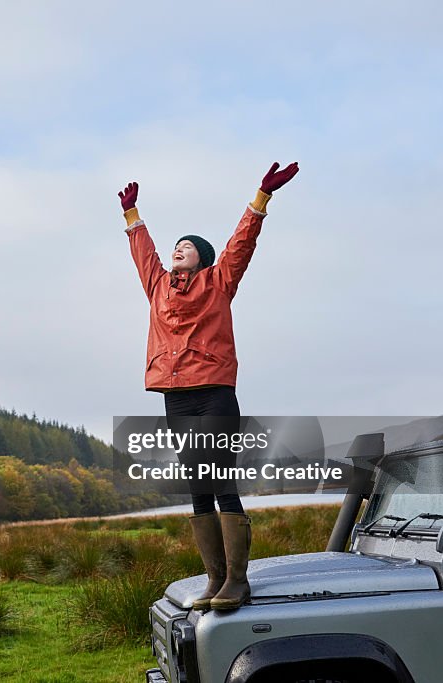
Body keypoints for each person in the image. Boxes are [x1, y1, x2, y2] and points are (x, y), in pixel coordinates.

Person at [118, 162, 299, 610]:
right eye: (175, 246)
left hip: (214, 394)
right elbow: (143, 254)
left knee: (220, 482)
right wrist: (133, 216)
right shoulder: (158, 286)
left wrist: (261, 199)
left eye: (187, 247)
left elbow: (241, 245)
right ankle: (214, 579)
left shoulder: (219, 282)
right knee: (197, 485)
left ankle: (238, 581)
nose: (178, 250)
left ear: (202, 257)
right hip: (175, 399)